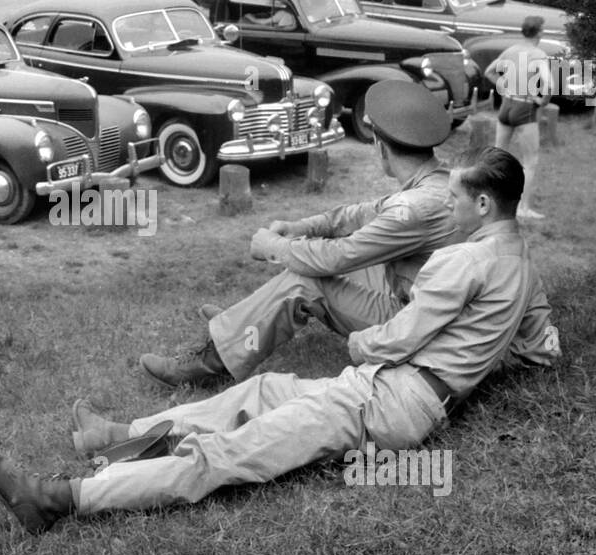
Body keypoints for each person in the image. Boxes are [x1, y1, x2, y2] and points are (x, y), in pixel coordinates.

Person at [0, 145, 561, 534]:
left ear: (483, 204)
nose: (448, 208)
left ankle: (59, 499)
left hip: (391, 397)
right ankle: (122, 435)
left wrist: (360, 347)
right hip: (404, 396)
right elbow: (540, 348)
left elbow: (392, 341)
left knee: (227, 455)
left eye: (456, 201)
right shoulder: (521, 263)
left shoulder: (462, 261)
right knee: (263, 391)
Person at [139, 80, 459, 388]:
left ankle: (211, 363)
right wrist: (301, 229)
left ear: (380, 145)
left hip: (418, 326)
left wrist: (272, 246)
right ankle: (245, 323)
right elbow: (362, 214)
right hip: (428, 307)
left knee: (307, 280)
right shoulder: (437, 182)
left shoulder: (416, 207)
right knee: (326, 256)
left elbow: (337, 258)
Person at [487, 16, 553, 220]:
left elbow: (489, 72)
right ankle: (523, 209)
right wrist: (542, 101)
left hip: (506, 104)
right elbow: (549, 85)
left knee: (496, 158)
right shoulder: (538, 54)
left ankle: (489, 202)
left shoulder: (511, 50)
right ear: (540, 32)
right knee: (530, 161)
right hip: (525, 107)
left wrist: (504, 86)